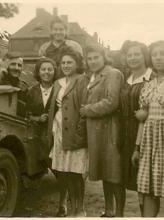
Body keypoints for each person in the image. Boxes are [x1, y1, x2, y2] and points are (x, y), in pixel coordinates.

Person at [79, 44, 125, 217]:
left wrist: (87, 110)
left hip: (110, 131)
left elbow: (112, 102)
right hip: (97, 132)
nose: (92, 61)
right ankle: (109, 210)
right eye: (89, 58)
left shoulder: (112, 73)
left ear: (104, 56)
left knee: (114, 174)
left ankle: (119, 213)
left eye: (96, 57)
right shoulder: (93, 76)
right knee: (107, 173)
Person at [47, 47, 87, 217]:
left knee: (76, 173)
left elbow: (85, 108)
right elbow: (53, 108)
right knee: (62, 171)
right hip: (59, 131)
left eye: (69, 62)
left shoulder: (83, 80)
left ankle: (79, 210)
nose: (66, 65)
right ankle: (63, 204)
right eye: (63, 63)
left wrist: (81, 132)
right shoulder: (58, 82)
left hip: (75, 132)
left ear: (77, 64)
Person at [119, 41, 154, 215]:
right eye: (129, 55)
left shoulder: (152, 77)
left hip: (145, 133)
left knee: (144, 182)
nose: (132, 58)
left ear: (144, 56)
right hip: (126, 133)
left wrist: (147, 112)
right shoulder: (126, 79)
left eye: (137, 54)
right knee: (128, 180)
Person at [132, 41, 164, 217]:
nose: (159, 58)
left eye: (163, 54)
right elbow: (142, 121)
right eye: (155, 54)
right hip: (150, 142)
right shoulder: (148, 85)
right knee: (150, 188)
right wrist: (137, 148)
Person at [26, 57, 56, 167]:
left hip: (55, 135)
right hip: (37, 136)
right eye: (43, 69)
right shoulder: (31, 91)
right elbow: (26, 115)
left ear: (54, 71)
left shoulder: (59, 90)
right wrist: (38, 118)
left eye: (50, 69)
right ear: (38, 72)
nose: (46, 72)